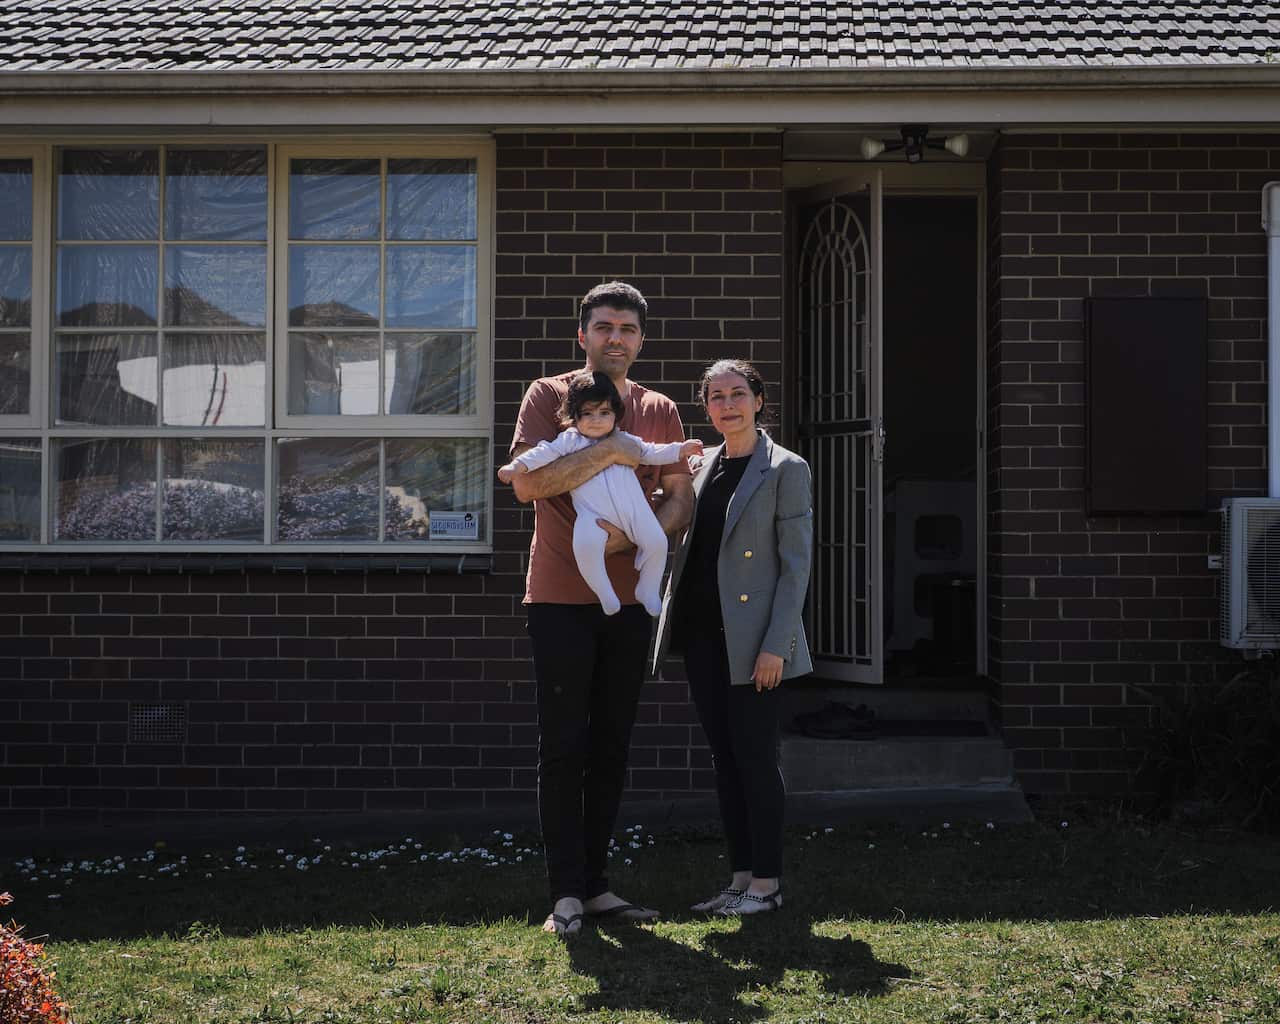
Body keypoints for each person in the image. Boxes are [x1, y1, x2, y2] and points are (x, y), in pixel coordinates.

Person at [505, 281, 694, 937]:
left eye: (628, 329)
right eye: (605, 326)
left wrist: (640, 530)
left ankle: (596, 887)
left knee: (612, 744)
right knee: (564, 744)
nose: (616, 338)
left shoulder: (660, 409)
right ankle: (563, 895)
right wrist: (610, 451)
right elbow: (527, 484)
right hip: (559, 597)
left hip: (629, 605)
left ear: (641, 341)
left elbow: (680, 499)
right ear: (582, 335)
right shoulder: (547, 396)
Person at [653, 359, 813, 917]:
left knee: (755, 758)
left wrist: (778, 644)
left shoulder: (787, 468)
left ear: (759, 400)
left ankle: (766, 885)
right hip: (701, 636)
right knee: (725, 759)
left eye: (738, 393)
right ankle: (740, 878)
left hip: (756, 643)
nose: (728, 404)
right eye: (716, 396)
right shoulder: (702, 467)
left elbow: (796, 568)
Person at [498, 370, 702, 617]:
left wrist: (681, 450)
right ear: (574, 417)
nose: (596, 420)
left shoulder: (626, 440)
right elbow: (541, 453)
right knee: (585, 547)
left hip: (633, 512)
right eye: (587, 414)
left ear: (616, 416)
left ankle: (647, 588)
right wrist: (515, 467)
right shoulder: (570, 441)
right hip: (591, 516)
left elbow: (653, 452)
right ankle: (605, 592)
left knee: (657, 542)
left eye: (604, 413)